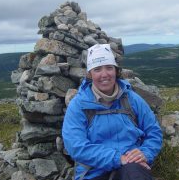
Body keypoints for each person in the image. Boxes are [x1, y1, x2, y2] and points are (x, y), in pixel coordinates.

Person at [62, 44, 163, 180]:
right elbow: (76, 146)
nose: (105, 74)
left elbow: (154, 131)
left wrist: (145, 153)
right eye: (97, 69)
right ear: (90, 74)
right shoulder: (79, 105)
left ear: (116, 70)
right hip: (93, 172)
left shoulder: (132, 99)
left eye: (109, 67)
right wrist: (118, 158)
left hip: (131, 168)